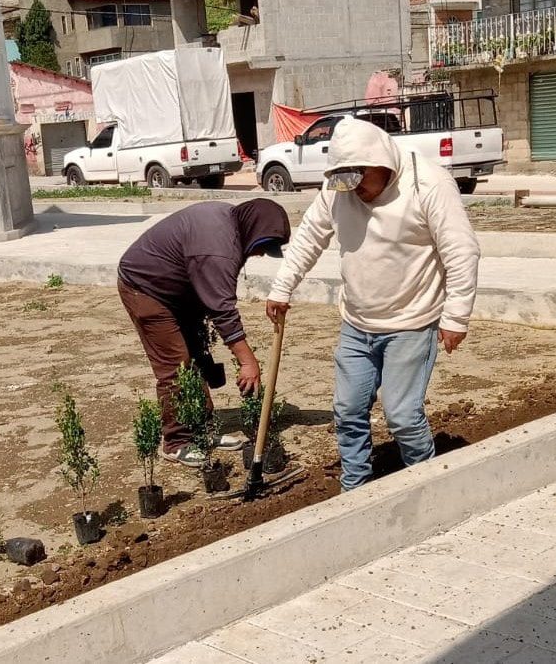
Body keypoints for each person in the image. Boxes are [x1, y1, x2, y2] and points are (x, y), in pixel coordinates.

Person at [266, 116, 480, 491]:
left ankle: (426, 486)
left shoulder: (428, 183)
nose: (355, 192)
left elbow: (461, 252)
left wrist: (456, 317)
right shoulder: (339, 189)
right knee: (347, 411)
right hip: (356, 323)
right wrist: (283, 287)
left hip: (411, 323)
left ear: (381, 163)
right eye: (346, 183)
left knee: (402, 417)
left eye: (361, 181)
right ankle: (356, 491)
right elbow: (311, 235)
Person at [119, 199, 291, 468]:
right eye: (260, 248)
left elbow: (213, 300)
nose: (259, 255)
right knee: (176, 365)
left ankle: (202, 432)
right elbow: (222, 309)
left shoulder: (231, 225)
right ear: (252, 230)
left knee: (197, 357)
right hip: (146, 289)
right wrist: (248, 361)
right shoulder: (217, 248)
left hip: (179, 292)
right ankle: (176, 442)